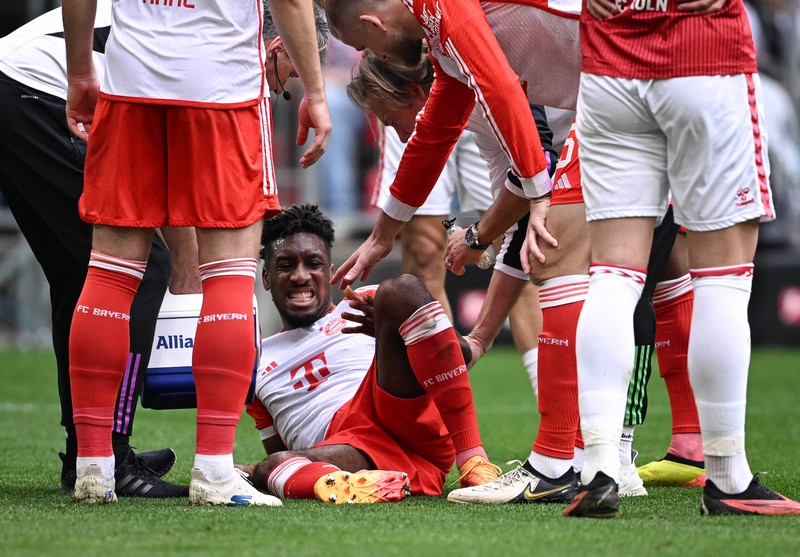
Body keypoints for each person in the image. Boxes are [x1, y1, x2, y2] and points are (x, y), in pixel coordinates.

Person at [60, 0, 327, 506]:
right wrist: (315, 91)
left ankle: (93, 466)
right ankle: (213, 471)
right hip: (221, 89)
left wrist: (80, 72)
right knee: (228, 275)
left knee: (109, 276)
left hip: (129, 84)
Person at [564, 0, 800, 517]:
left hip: (610, 67)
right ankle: (727, 475)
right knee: (723, 276)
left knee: (612, 274)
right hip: (702, 55)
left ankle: (598, 468)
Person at [0, 0, 190, 498]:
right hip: (35, 90)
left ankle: (88, 450)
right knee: (141, 270)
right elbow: (173, 159)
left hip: (18, 87)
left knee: (81, 275)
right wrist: (188, 274)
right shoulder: (224, 40)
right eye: (282, 79)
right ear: (276, 48)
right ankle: (112, 453)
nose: (277, 90)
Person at [236, 203, 500, 503]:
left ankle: (474, 461)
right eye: (285, 265)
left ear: (330, 270)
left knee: (402, 289)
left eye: (313, 264)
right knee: (272, 465)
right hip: (349, 451)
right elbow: (286, 455)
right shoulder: (255, 358)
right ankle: (367, 486)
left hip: (397, 411)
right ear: (267, 278)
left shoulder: (364, 305)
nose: (301, 276)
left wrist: (396, 333)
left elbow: (459, 356)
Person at [324, 0, 581, 291]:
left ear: (373, 24)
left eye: (362, 46)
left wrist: (538, 197)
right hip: (612, 82)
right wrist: (381, 236)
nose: (375, 56)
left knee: (569, 264)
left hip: (629, 56)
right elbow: (434, 136)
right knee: (574, 264)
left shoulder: (440, 8)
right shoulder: (440, 39)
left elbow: (500, 90)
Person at [348, 53, 543, 391]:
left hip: (466, 88)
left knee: (518, 242)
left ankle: (552, 403)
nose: (398, 137)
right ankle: (451, 399)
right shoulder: (400, 88)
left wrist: (476, 237)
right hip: (405, 84)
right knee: (425, 254)